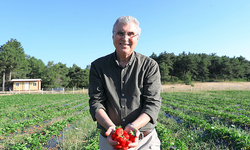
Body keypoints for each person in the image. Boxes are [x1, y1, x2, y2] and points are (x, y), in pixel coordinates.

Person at [88, 16, 162, 150]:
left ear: (137, 38)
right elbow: (96, 102)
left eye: (131, 34)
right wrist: (111, 127)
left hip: (144, 141)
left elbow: (152, 103)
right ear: (113, 36)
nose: (125, 38)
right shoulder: (98, 66)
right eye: (120, 33)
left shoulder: (149, 66)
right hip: (110, 140)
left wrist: (133, 127)